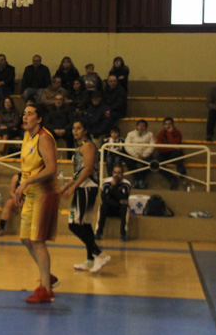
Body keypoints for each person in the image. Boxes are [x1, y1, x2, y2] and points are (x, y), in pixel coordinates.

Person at [13, 102, 59, 303]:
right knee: (25, 238)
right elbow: (27, 168)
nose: (25, 117)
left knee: (37, 240)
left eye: (30, 114)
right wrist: (21, 187)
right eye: (24, 114)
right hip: (30, 193)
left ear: (39, 119)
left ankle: (46, 289)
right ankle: (46, 273)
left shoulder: (44, 138)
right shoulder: (26, 136)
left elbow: (51, 168)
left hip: (44, 194)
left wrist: (27, 183)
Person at [61, 120, 110, 273]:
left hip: (88, 187)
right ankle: (90, 260)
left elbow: (88, 170)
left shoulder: (88, 146)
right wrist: (65, 187)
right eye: (74, 128)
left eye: (79, 128)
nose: (75, 131)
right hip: (82, 186)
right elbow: (77, 173)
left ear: (85, 130)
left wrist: (73, 188)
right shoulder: (79, 147)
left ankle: (99, 254)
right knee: (85, 224)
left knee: (74, 224)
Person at [95, 165, 131, 241]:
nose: (116, 175)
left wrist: (113, 188)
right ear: (112, 173)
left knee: (125, 208)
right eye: (115, 172)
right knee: (102, 206)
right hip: (109, 208)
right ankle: (98, 233)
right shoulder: (106, 183)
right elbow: (104, 199)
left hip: (120, 209)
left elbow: (124, 197)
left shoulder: (126, 184)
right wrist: (119, 201)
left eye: (119, 173)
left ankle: (123, 234)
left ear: (122, 174)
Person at [156, 117, 187, 190]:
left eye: (169, 124)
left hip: (174, 155)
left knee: (177, 152)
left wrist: (169, 133)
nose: (168, 126)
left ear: (173, 125)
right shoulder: (161, 134)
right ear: (163, 125)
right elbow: (160, 148)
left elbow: (175, 143)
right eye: (166, 124)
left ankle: (180, 170)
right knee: (156, 163)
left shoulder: (177, 133)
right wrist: (171, 148)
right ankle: (172, 178)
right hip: (164, 154)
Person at [125, 119, 155, 189]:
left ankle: (138, 178)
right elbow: (127, 146)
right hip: (134, 155)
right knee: (128, 161)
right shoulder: (130, 134)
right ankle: (140, 178)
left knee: (151, 163)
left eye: (143, 126)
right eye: (139, 125)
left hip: (145, 155)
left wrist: (144, 155)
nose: (141, 127)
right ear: (136, 126)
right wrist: (136, 155)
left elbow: (152, 146)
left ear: (146, 127)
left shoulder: (150, 134)